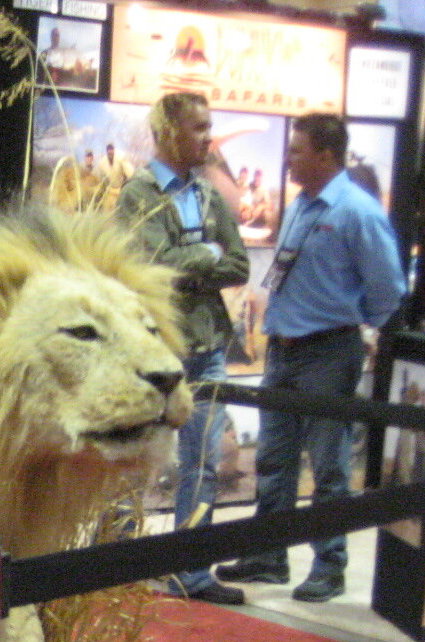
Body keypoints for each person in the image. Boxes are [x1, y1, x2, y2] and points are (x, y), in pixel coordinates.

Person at [216, 112, 406, 602]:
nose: (288, 157)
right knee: (274, 461)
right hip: (283, 349)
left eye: (297, 149)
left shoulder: (357, 211)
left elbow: (389, 289)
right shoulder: (302, 204)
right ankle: (268, 557)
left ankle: (329, 565)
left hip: (328, 352)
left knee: (329, 466)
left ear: (326, 155)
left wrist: (351, 320)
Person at [116, 91, 251, 604]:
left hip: (208, 346)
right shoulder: (139, 194)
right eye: (199, 128)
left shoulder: (210, 194)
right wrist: (205, 253)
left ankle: (190, 572)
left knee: (203, 461)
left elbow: (238, 265)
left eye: (209, 127)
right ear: (169, 133)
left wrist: (189, 258)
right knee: (132, 460)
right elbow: (153, 266)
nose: (207, 137)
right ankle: (118, 566)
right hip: (154, 349)